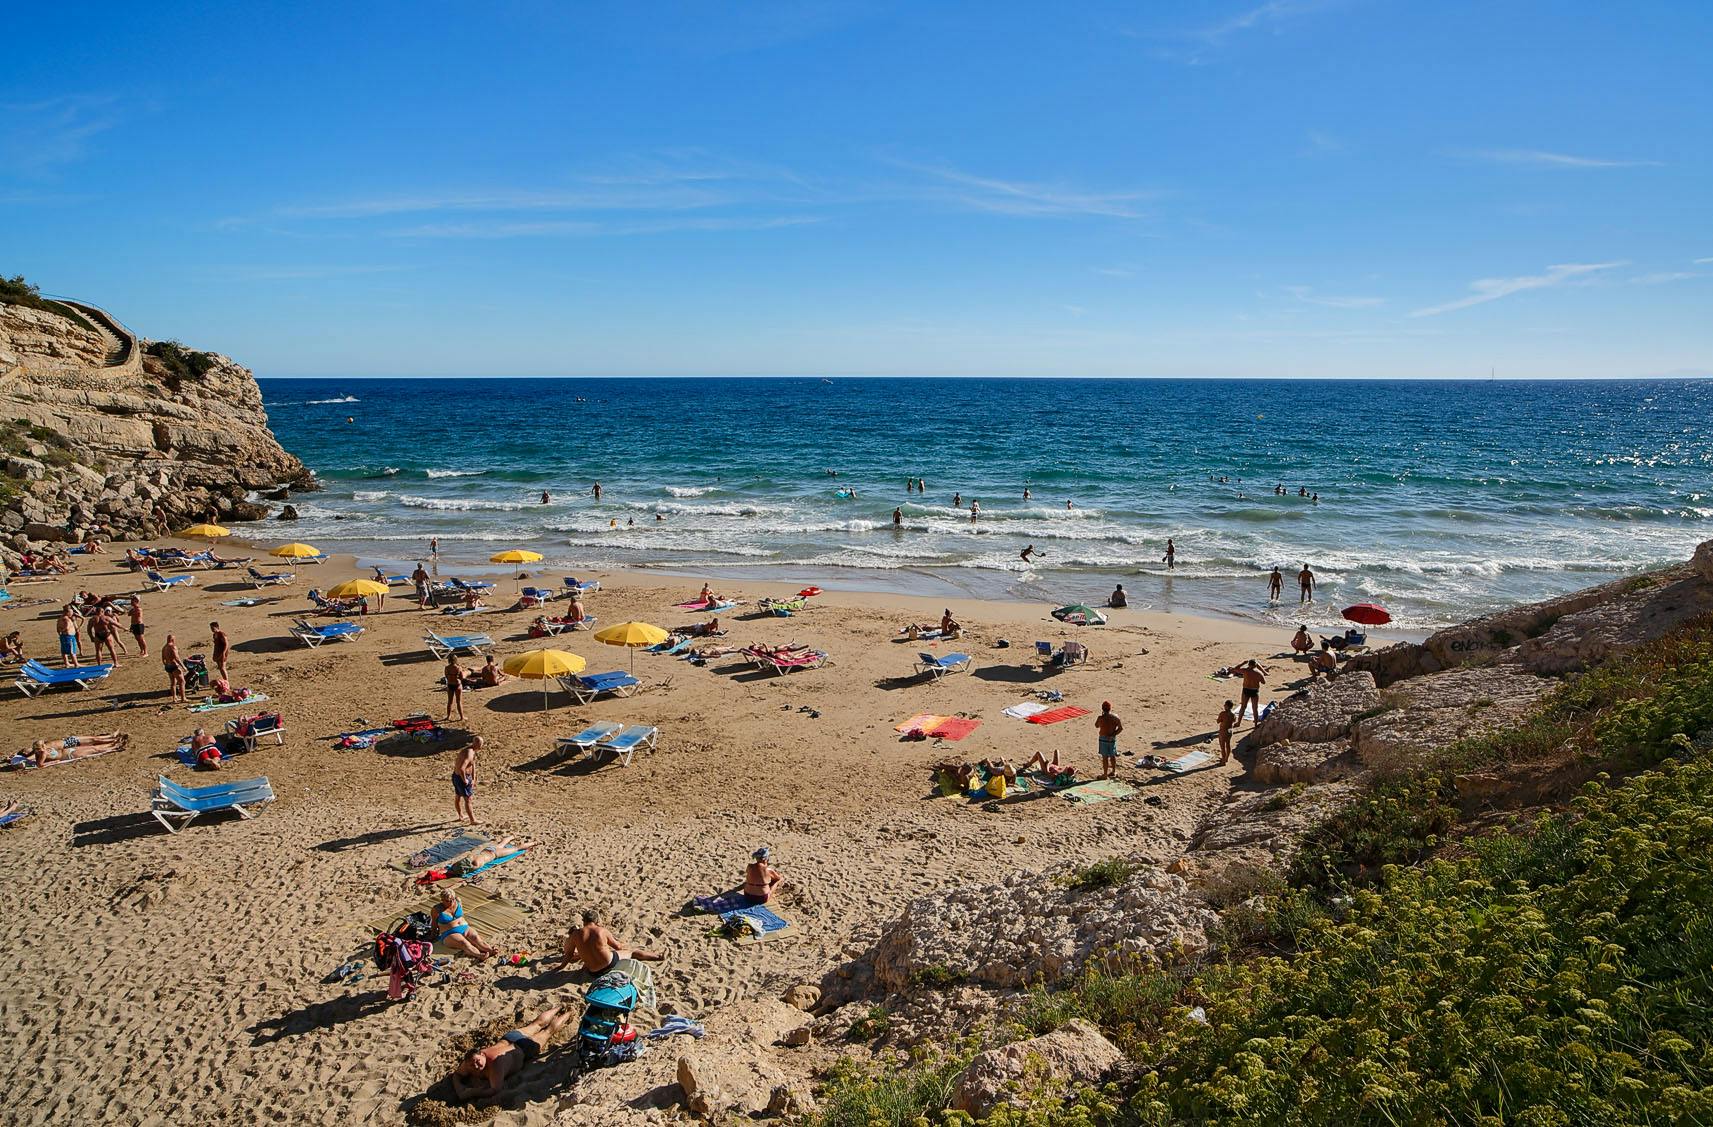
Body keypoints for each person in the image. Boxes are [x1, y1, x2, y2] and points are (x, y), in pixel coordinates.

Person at [450, 1006, 576, 1104]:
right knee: (535, 1024)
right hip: (510, 1037)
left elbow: (495, 1089)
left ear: (482, 1054)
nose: (476, 1066)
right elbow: (456, 1075)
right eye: (472, 1065)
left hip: (524, 1048)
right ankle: (559, 1007)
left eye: (477, 1061)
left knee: (548, 1031)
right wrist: (459, 1089)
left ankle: (569, 1012)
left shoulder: (494, 1065)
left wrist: (472, 1092)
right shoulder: (470, 1061)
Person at [561, 908, 663, 975]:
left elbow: (569, 954)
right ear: (596, 921)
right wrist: (623, 946)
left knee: (588, 953)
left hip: (592, 972)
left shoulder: (575, 934)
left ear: (584, 921)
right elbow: (618, 947)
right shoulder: (602, 931)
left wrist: (560, 967)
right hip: (609, 965)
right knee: (632, 952)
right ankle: (658, 957)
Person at [436, 889, 498, 961]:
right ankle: (479, 955)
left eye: (452, 899)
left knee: (476, 938)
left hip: (464, 927)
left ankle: (490, 950)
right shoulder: (437, 909)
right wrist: (433, 935)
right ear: (442, 900)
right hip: (449, 933)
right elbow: (434, 924)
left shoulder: (458, 901)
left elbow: (461, 915)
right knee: (464, 943)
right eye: (448, 900)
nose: (451, 902)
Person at [453, 736, 479, 824]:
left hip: (456, 776)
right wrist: (465, 780)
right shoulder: (469, 753)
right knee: (468, 799)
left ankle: (461, 815)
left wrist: (474, 778)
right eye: (480, 745)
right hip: (461, 777)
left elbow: (472, 764)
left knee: (458, 796)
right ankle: (473, 820)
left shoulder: (471, 751)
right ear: (476, 744)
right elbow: (462, 768)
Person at [1094, 701, 1123, 780]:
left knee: (1105, 757)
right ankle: (1113, 771)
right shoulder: (1115, 717)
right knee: (1112, 756)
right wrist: (1113, 734)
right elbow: (1120, 728)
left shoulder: (1100, 718)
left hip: (1103, 739)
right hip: (1112, 739)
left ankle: (1105, 774)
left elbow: (1096, 725)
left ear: (1102, 709)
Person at [1238, 660, 1268, 725]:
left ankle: (1238, 722)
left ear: (1249, 664)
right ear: (1255, 665)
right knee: (1255, 708)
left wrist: (1242, 663)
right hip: (1254, 690)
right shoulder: (1259, 673)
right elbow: (1263, 682)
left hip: (1246, 689)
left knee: (1243, 706)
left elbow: (1235, 669)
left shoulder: (1245, 671)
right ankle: (1255, 724)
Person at [162, 634, 187, 702]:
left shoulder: (164, 647)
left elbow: (163, 659)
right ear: (172, 640)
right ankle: (183, 698)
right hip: (174, 666)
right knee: (182, 682)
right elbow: (177, 658)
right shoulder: (173, 647)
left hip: (168, 666)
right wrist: (183, 666)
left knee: (173, 683)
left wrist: (167, 664)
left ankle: (174, 698)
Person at [56, 604, 78, 669]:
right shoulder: (66, 619)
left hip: (64, 636)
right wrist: (63, 631)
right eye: (70, 613)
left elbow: (57, 627)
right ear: (67, 612)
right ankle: (76, 664)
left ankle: (67, 663)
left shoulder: (60, 618)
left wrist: (60, 633)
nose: (71, 614)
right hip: (68, 636)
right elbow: (67, 627)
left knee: (64, 651)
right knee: (72, 651)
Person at [1217, 700, 1237, 766]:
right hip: (1230, 730)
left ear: (1227, 706)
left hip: (1223, 731)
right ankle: (1226, 758)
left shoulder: (1223, 713)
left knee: (1222, 747)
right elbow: (1234, 721)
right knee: (1228, 744)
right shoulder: (1233, 715)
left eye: (1225, 705)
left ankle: (1223, 761)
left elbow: (1218, 721)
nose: (1224, 706)